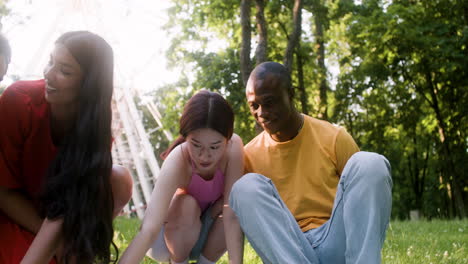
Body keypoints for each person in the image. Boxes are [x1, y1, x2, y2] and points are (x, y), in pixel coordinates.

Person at [229, 61, 393, 264]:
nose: (261, 113)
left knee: (370, 163)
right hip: (289, 249)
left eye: (269, 102)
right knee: (244, 187)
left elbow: (363, 197)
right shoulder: (248, 156)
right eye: (254, 106)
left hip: (337, 241)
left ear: (290, 94)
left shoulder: (334, 137)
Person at [0, 31, 133, 264]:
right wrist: (56, 242)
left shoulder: (94, 130)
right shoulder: (19, 100)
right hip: (13, 209)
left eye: (65, 71)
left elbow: (78, 199)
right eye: (50, 61)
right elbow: (3, 193)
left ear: (89, 83)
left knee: (119, 179)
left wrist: (70, 242)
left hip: (56, 216)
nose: (48, 74)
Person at [119, 90, 244, 264]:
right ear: (185, 138)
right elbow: (149, 229)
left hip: (208, 232)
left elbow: (231, 213)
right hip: (169, 238)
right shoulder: (178, 160)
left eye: (214, 147)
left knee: (237, 204)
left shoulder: (234, 148)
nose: (204, 156)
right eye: (196, 145)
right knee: (187, 204)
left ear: (227, 140)